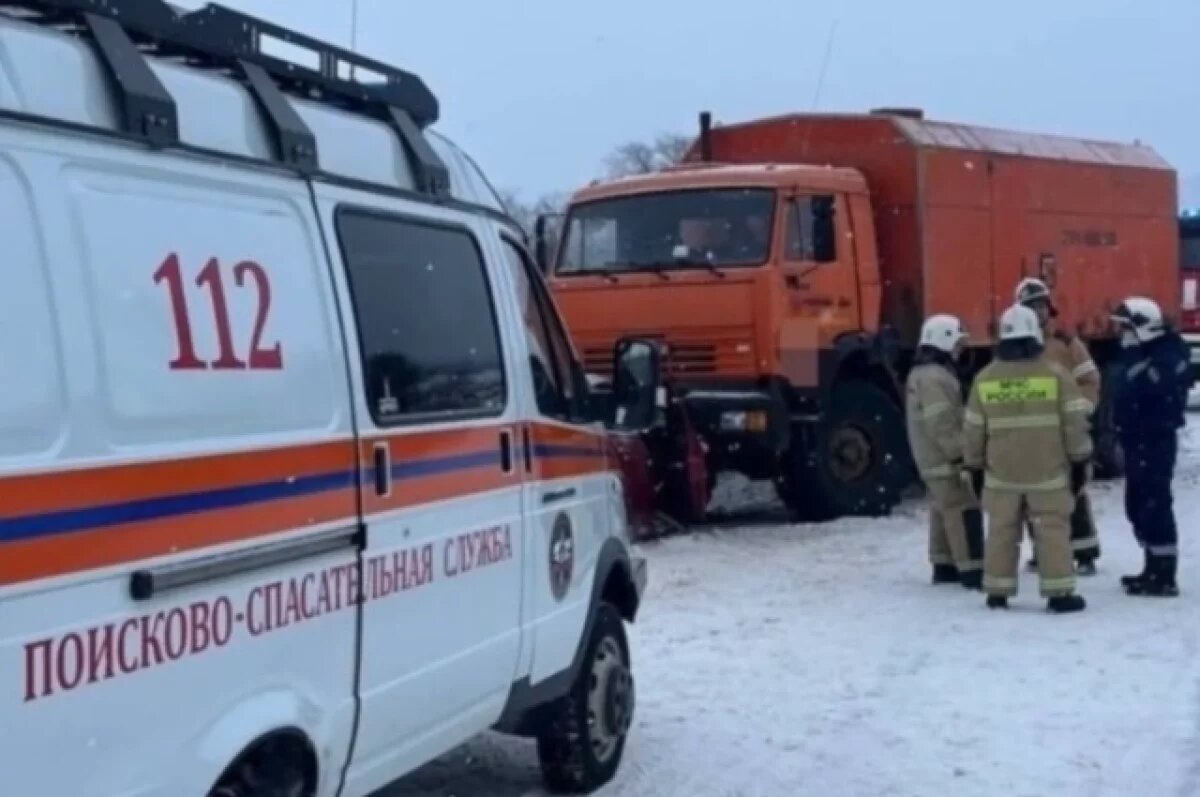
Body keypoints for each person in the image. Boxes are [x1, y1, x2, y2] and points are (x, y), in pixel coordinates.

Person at [963, 304, 1093, 613]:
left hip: (1001, 474)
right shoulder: (1057, 375)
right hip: (1047, 472)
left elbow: (972, 431)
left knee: (1001, 532)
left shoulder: (985, 379)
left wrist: (974, 465)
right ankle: (1059, 593)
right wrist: (1079, 460)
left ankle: (997, 591)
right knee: (1052, 531)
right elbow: (1074, 423)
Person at [1014, 277, 1102, 575]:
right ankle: (1043, 552)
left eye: (1040, 306)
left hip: (1063, 432)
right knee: (1033, 496)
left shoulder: (1066, 343)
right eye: (1030, 307)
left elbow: (1089, 380)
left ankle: (1084, 552)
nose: (1037, 312)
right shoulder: (1014, 347)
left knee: (1072, 492)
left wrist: (1082, 413)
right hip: (1030, 435)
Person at [1110, 297, 1189, 597]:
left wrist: (1135, 363)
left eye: (1127, 328)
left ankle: (1165, 574)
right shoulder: (1141, 353)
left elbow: (1158, 385)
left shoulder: (1169, 353)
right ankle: (1151, 566)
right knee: (1137, 503)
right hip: (1136, 438)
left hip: (1156, 439)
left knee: (1155, 503)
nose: (1122, 335)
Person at [905, 314, 984, 590]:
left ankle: (944, 564)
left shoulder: (924, 374)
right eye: (958, 343)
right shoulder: (935, 378)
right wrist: (961, 454)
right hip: (942, 459)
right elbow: (943, 423)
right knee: (963, 507)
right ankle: (972, 569)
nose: (960, 350)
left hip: (929, 458)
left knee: (943, 508)